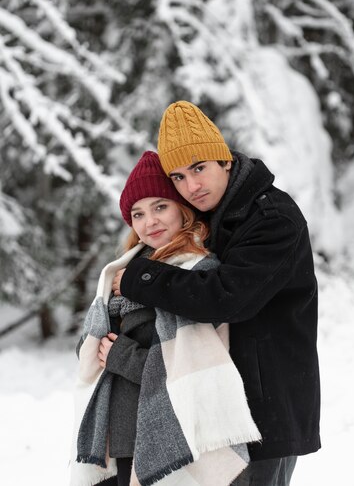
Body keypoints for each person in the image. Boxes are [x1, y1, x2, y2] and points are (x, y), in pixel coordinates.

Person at [112, 101, 321, 486]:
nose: (191, 186)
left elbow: (227, 297)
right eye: (177, 177)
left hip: (265, 410)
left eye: (199, 168)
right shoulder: (214, 217)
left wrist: (140, 278)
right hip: (222, 410)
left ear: (224, 160)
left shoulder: (271, 218)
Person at [70, 150, 260, 486]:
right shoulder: (123, 272)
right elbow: (92, 348)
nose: (150, 221)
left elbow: (193, 372)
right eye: (138, 214)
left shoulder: (195, 274)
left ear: (183, 210)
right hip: (117, 439)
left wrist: (119, 356)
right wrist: (93, 346)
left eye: (160, 207)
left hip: (165, 438)